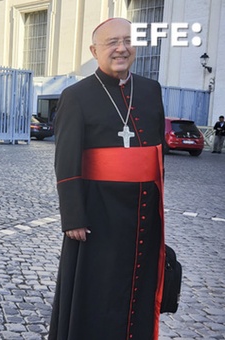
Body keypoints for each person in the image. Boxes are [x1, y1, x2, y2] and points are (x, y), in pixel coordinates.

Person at [49, 18, 167, 340]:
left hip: (143, 213)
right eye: (112, 42)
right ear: (94, 50)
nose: (121, 48)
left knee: (137, 288)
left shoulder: (151, 90)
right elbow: (67, 159)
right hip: (98, 213)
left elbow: (157, 152)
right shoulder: (77, 95)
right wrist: (73, 217)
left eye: (127, 41)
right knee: (97, 292)